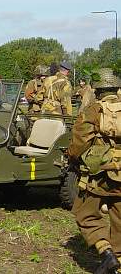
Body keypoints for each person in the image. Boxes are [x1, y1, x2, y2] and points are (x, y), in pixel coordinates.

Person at [67, 68, 121, 274]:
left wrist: (71, 157)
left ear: (97, 90)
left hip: (100, 175)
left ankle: (106, 253)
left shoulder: (93, 110)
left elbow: (79, 143)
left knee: (86, 214)